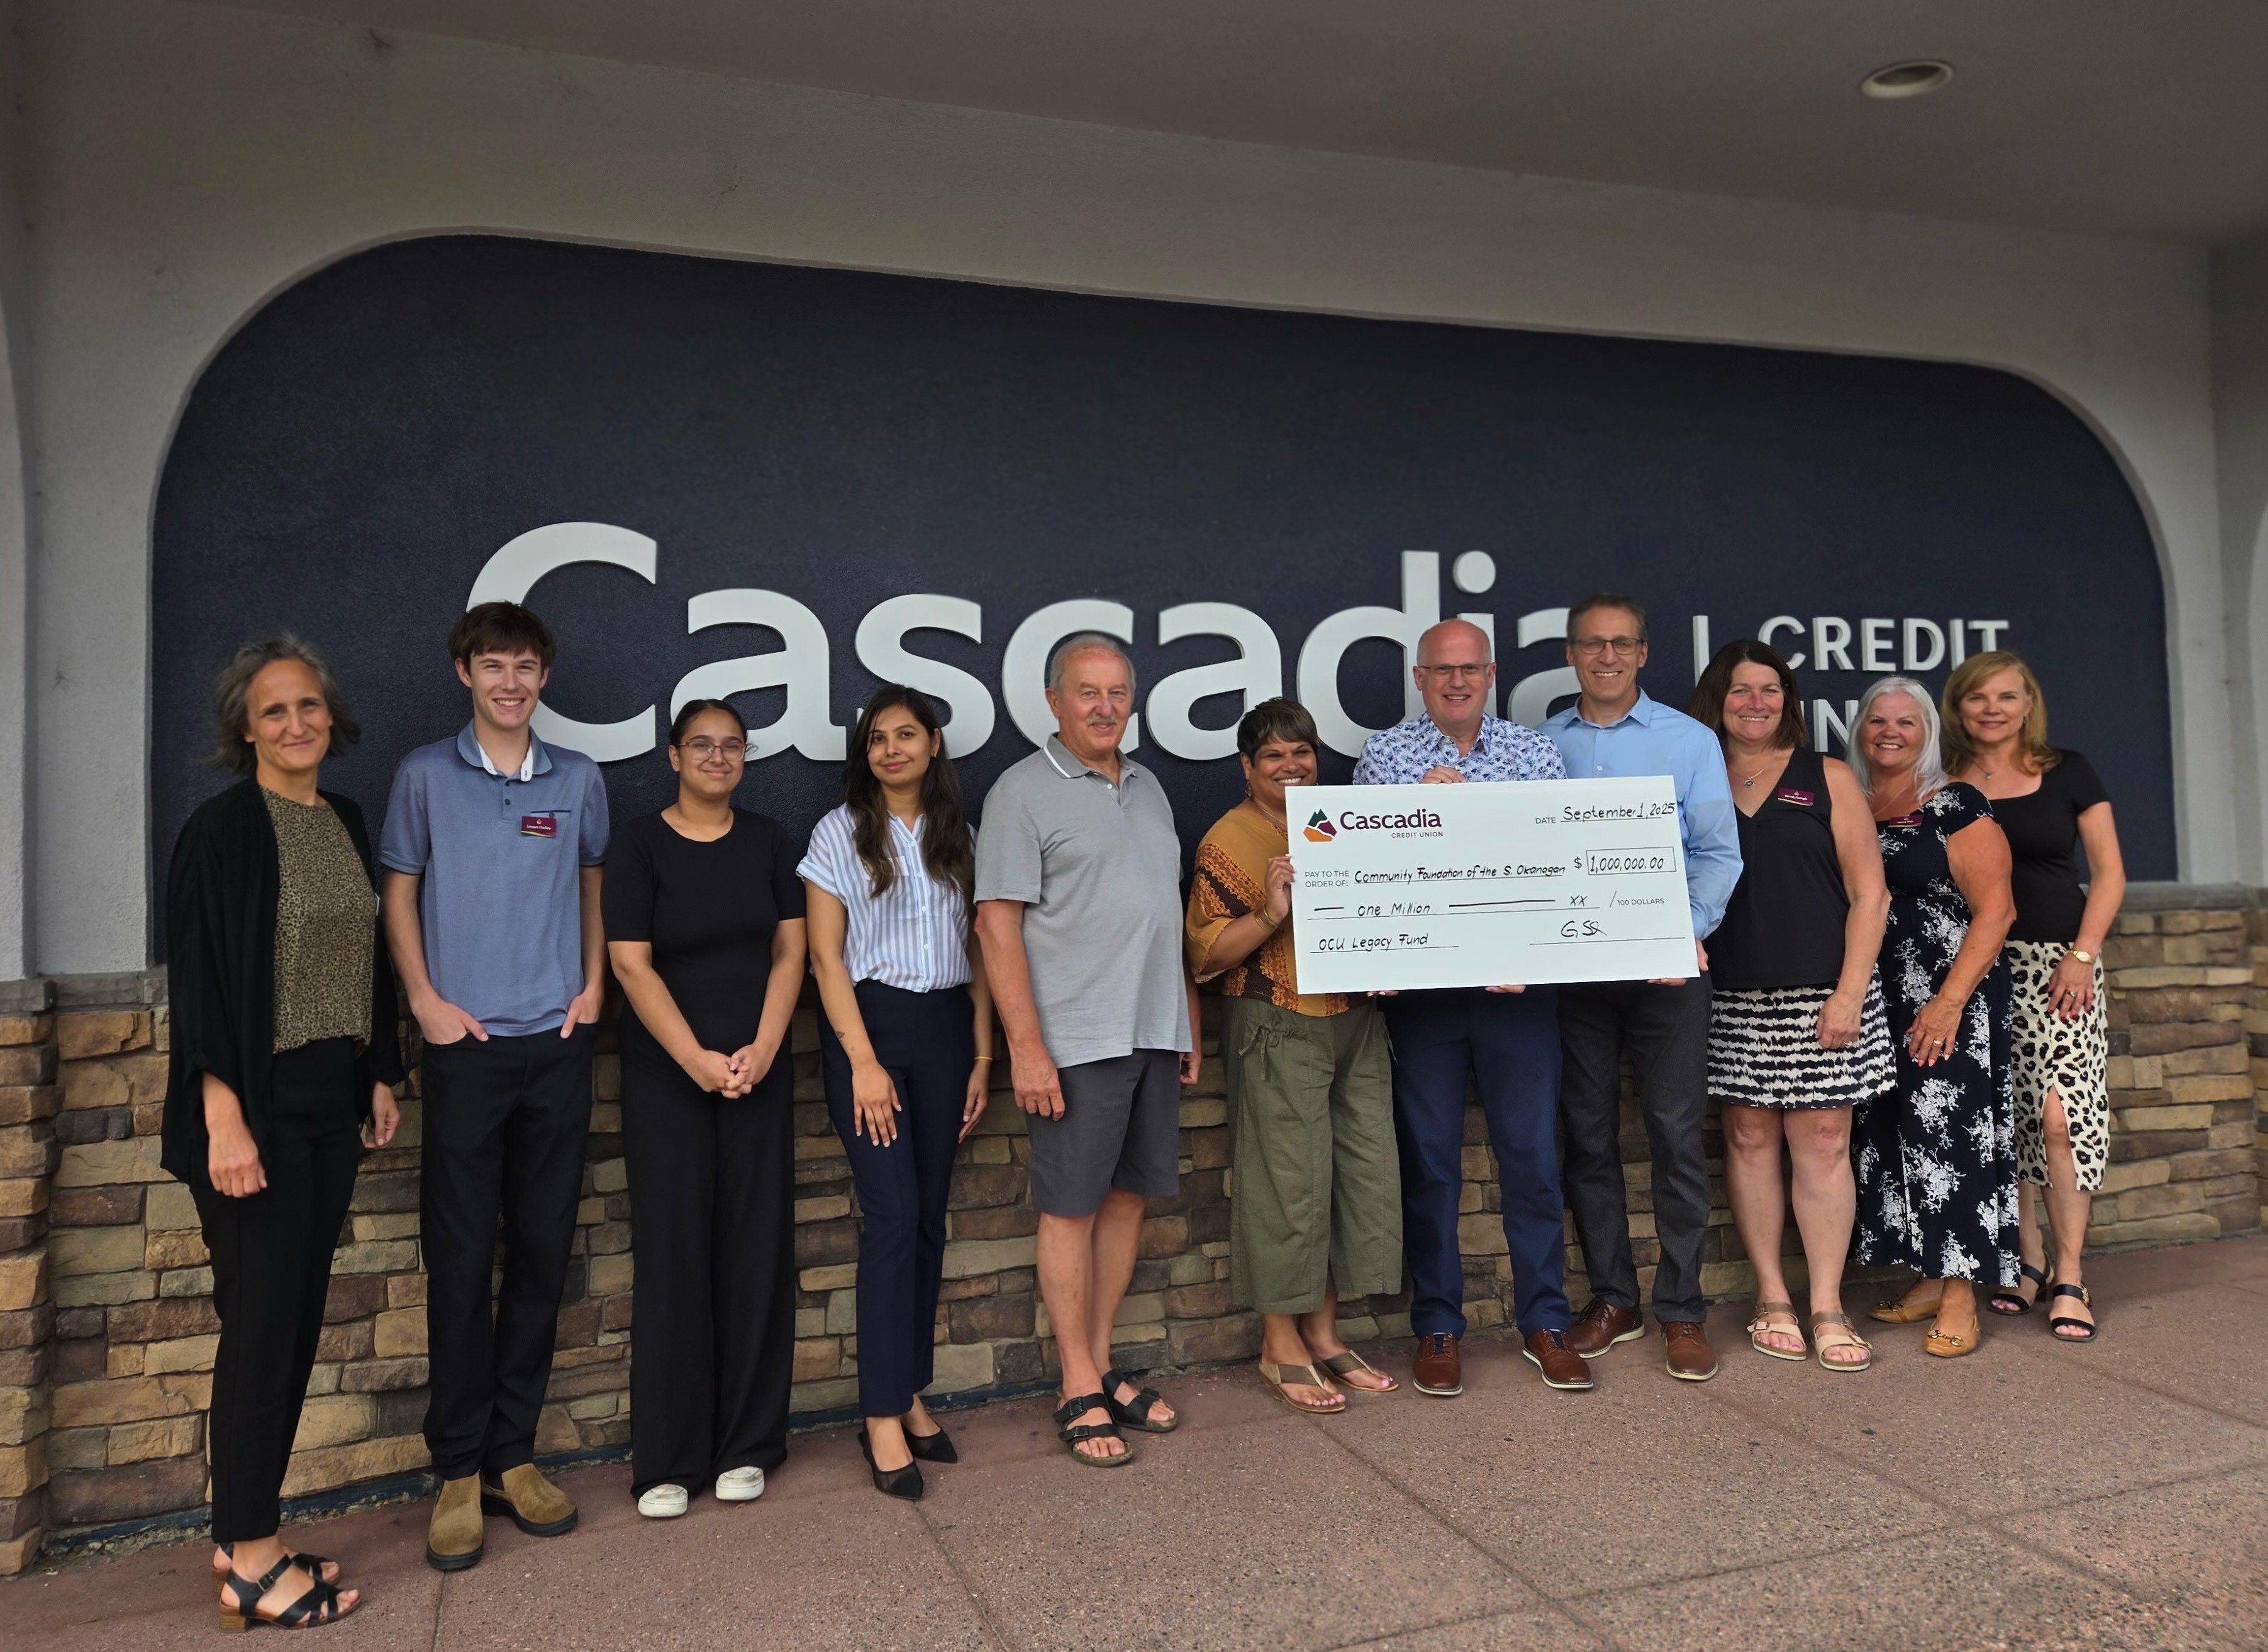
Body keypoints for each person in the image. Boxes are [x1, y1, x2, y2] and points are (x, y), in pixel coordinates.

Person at [163, 635, 402, 1630]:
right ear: (243, 729)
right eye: (274, 711)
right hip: (250, 1111)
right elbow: (204, 986)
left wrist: (380, 1068)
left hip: (328, 1101)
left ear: (331, 719)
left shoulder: (344, 818)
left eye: (309, 707)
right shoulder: (220, 833)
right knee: (262, 1331)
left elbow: (367, 955)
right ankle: (251, 1560)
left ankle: (248, 1534)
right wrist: (224, 1116)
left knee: (295, 1321)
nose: (296, 724)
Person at [379, 602, 609, 1571]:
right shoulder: (426, 775)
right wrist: (424, 1000)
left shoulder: (580, 778)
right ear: (464, 673)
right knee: (464, 1263)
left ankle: (515, 1454)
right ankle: (458, 1470)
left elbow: (595, 884)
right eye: (492, 665)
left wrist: (592, 985)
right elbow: (398, 893)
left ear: (544, 678)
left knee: (545, 1257)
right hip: (466, 1047)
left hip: (557, 1044)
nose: (510, 681)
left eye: (525, 666)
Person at [975, 634, 1202, 1467]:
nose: (1103, 707)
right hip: (1075, 1037)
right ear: (1053, 700)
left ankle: (1100, 1361)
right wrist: (1025, 1048)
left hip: (1150, 1029)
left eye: (1116, 692)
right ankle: (1076, 1381)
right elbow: (996, 924)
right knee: (1070, 1206)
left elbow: (1160, 911)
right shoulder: (1020, 793)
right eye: (1086, 692)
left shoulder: (1147, 789)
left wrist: (1184, 1017)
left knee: (1129, 1199)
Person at [1353, 619, 1590, 1397]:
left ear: (1490, 675)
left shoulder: (1534, 754)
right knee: (1430, 1166)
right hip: (1425, 1002)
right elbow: (1366, 882)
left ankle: (1545, 1322)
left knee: (1530, 1158)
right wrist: (1411, 814)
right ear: (1419, 678)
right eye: (1441, 670)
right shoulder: (1385, 758)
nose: (1456, 682)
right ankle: (1438, 1326)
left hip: (1517, 996)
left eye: (1470, 670)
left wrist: (1535, 951)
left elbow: (1557, 868)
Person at [605, 700, 806, 1517]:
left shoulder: (766, 840)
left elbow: (790, 950)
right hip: (668, 1080)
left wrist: (760, 1047)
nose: (718, 758)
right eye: (703, 745)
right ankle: (668, 1457)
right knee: (674, 1257)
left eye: (732, 747)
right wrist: (696, 1061)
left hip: (758, 1071)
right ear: (673, 755)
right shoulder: (639, 843)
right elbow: (629, 963)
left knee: (756, 1253)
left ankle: (747, 1445)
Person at [1543, 594, 1743, 1382]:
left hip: (1667, 976)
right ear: (1571, 654)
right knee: (1588, 1139)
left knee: (1673, 1135)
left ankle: (1683, 1309)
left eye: (1620, 644)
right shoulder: (1537, 745)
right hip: (1577, 977)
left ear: (1643, 653)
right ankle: (1613, 1298)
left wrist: (1683, 929)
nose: (1606, 657)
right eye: (1592, 644)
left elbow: (1717, 854)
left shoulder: (1688, 741)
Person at [802, 688, 993, 1498]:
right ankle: (880, 1411)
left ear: (934, 743)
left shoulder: (962, 834)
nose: (891, 749)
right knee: (889, 1216)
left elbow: (981, 950)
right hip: (869, 1029)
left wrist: (984, 1054)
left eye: (906, 734)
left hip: (949, 1029)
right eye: (877, 737)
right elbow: (824, 958)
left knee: (926, 1219)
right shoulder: (840, 830)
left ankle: (909, 1388)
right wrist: (863, 1060)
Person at [1189, 698, 1402, 1414]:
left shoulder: (1337, 822)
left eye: (1301, 750)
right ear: (1247, 767)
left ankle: (1323, 1333)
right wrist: (1271, 913)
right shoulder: (1228, 839)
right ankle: (1279, 1343)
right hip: (1277, 1022)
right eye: (1273, 755)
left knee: (1350, 1174)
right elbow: (1203, 957)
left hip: (1354, 1021)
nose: (1291, 764)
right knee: (1286, 1181)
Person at [1690, 641, 1891, 1372]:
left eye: (1768, 690)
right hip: (1731, 996)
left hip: (1823, 996)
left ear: (1788, 699)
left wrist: (1848, 993)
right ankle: (1772, 1297)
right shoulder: (1695, 775)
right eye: (1740, 690)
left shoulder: (1827, 776)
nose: (1754, 703)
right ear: (1718, 697)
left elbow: (1871, 894)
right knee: (1747, 1139)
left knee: (1824, 1143)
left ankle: (1828, 1304)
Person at [1945, 652, 2124, 1342]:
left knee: (2057, 1119)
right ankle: (2026, 1258)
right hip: (1981, 967)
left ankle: (2071, 1273)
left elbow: (2108, 873)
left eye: (2007, 696)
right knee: (2006, 1115)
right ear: (1957, 707)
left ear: (2028, 704)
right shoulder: (1946, 783)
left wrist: (2083, 954)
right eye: (1977, 697)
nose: (1992, 709)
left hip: (2059, 967)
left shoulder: (2068, 768)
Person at [1847, 675, 2019, 1359]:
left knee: (1951, 1138)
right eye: (1877, 720)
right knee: (1892, 1136)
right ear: (1859, 729)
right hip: (1876, 999)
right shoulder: (1855, 805)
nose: (1890, 731)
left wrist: (1947, 1003)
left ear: (1927, 732)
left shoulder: (1955, 803)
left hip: (1951, 996)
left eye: (1906, 722)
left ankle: (1960, 1293)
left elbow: (1997, 910)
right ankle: (1926, 1272)